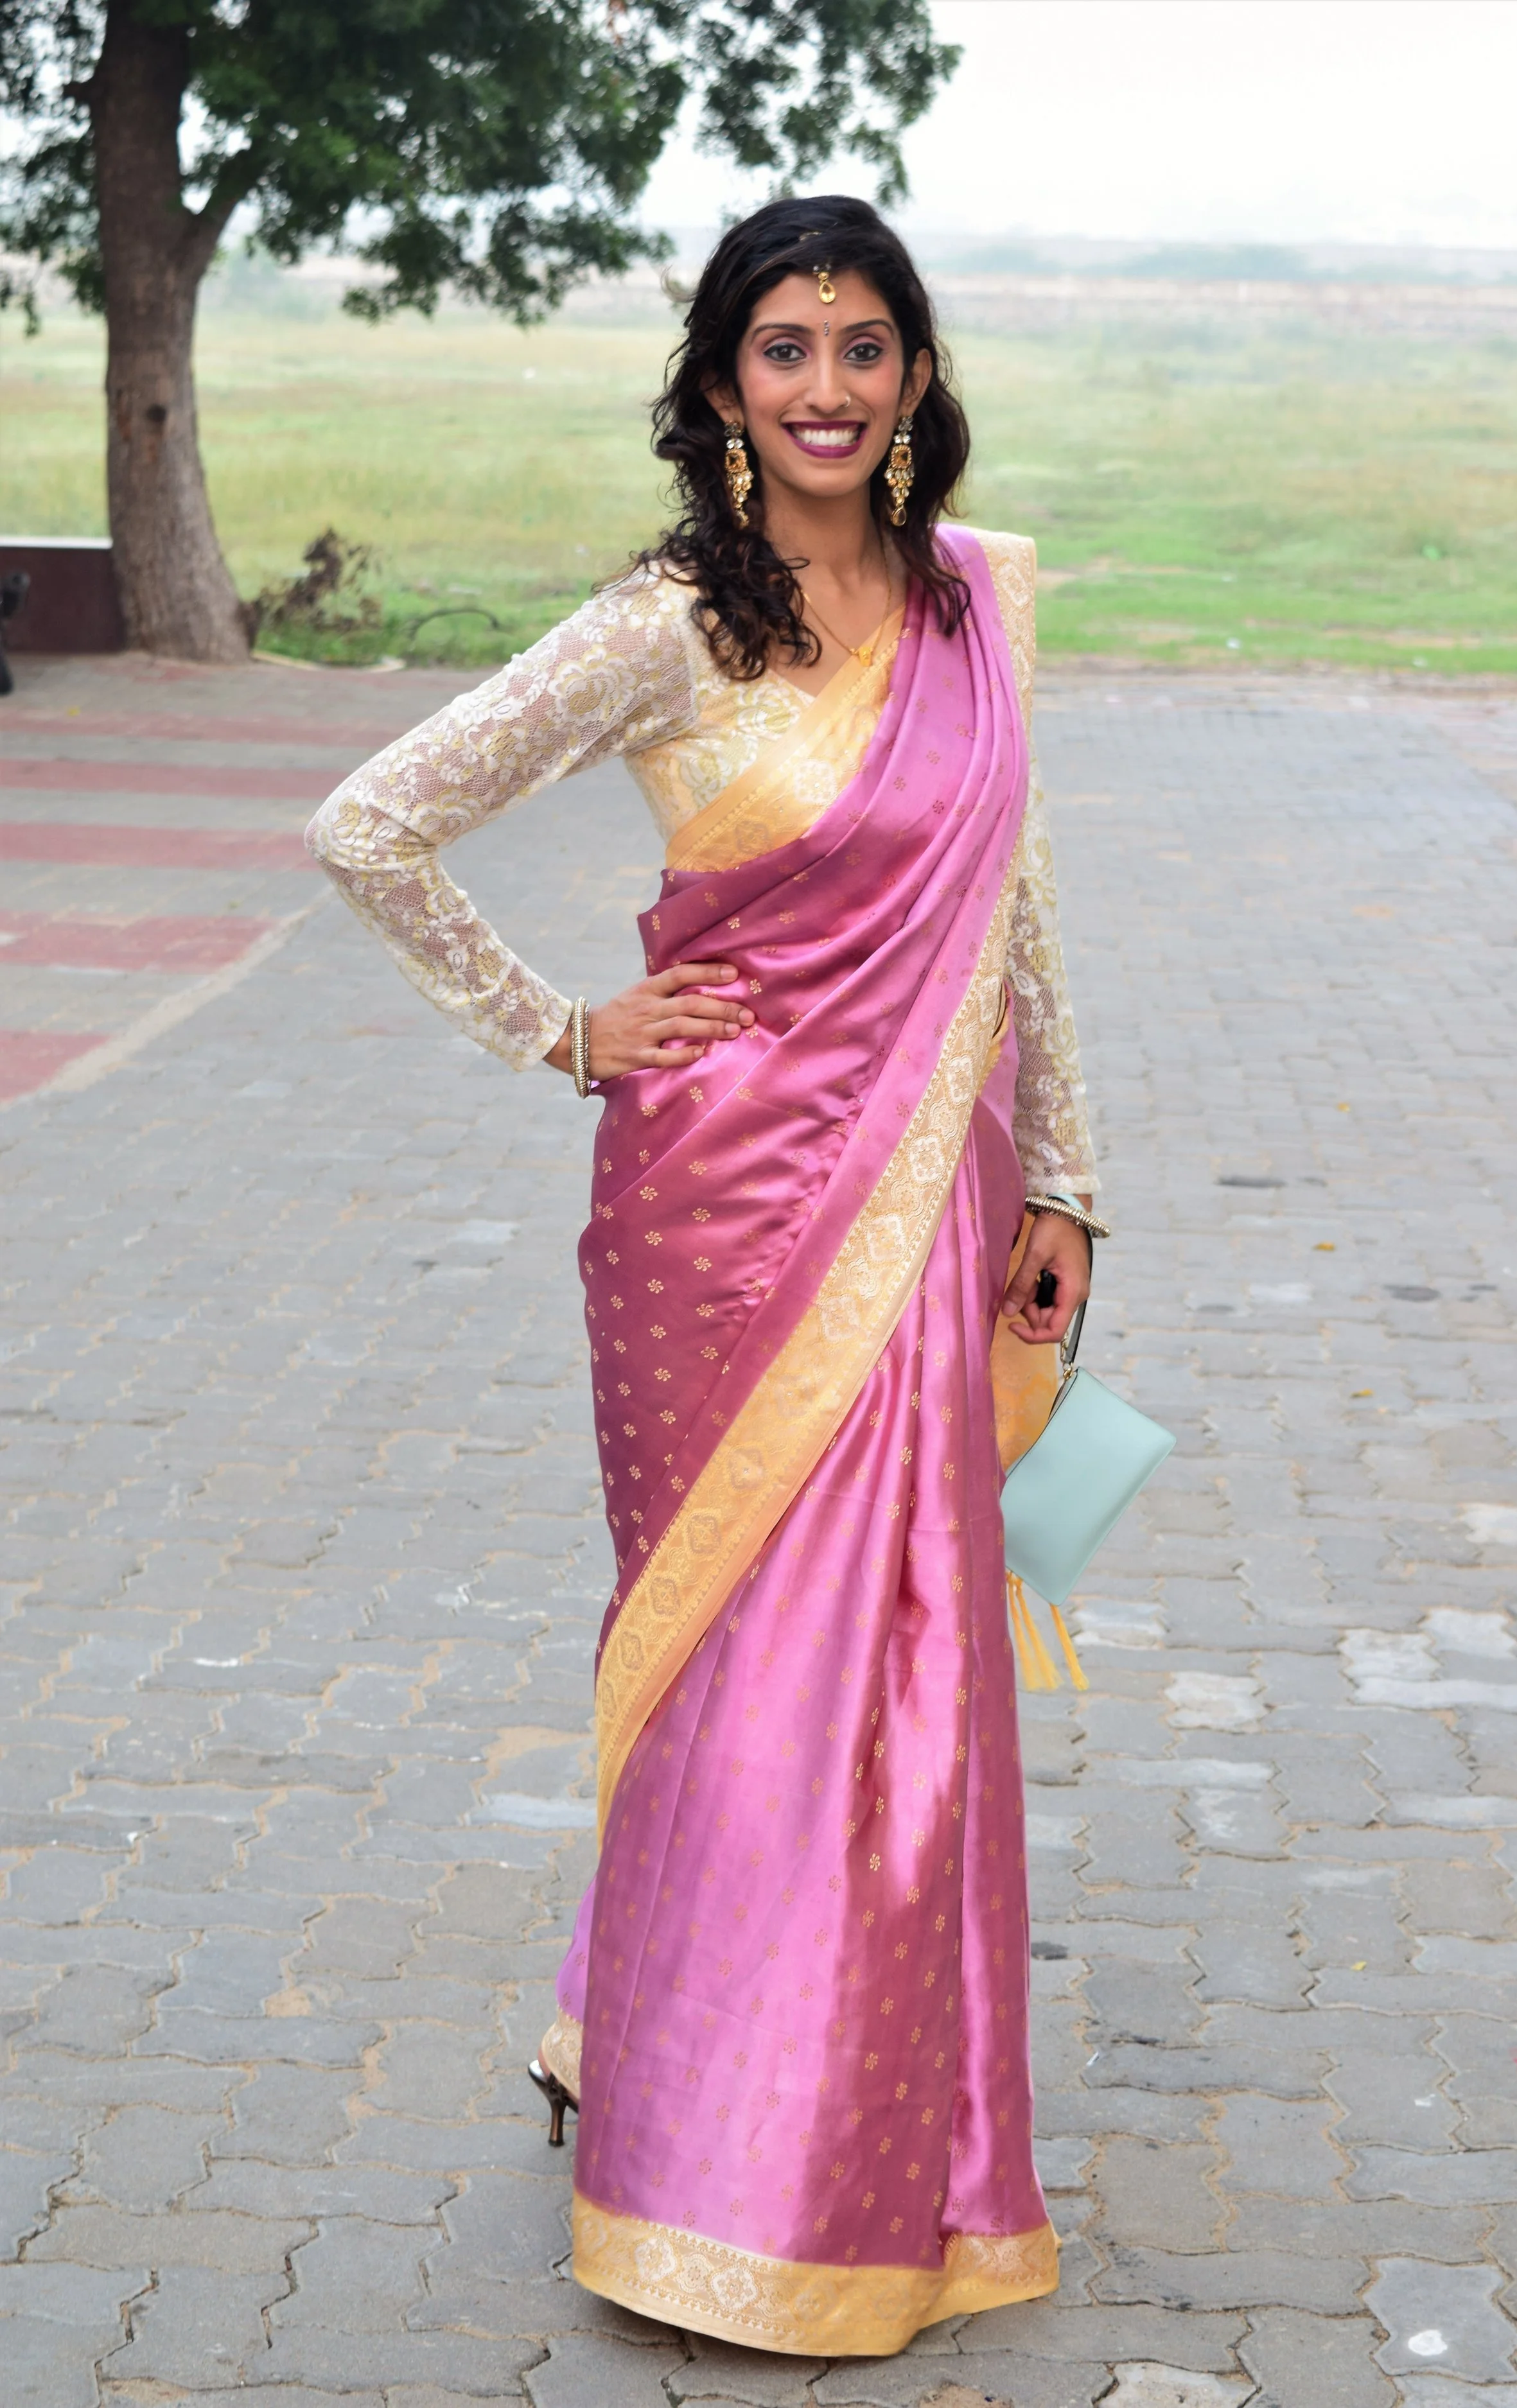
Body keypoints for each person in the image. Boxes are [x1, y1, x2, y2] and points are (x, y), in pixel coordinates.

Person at [306, 194, 1101, 2358]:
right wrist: (564, 1028)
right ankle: (720, 2173)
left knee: (902, 1677)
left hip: (932, 1200)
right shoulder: (673, 621)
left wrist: (1076, 1184)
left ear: (915, 372)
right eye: (783, 349)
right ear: (723, 385)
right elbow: (370, 818)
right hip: (713, 1219)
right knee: (744, 1670)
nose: (828, 387)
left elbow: (1014, 912)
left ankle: (782, 2091)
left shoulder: (970, 605)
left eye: (863, 345)